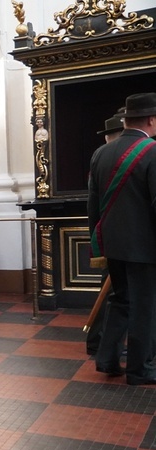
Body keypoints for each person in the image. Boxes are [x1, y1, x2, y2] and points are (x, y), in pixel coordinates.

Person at [88, 93, 156, 385]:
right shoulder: (152, 151)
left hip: (112, 245)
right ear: (152, 120)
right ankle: (140, 370)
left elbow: (93, 205)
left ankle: (107, 359)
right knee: (146, 306)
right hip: (145, 248)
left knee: (121, 300)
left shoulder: (101, 154)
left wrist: (99, 243)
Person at [85, 112, 124, 356]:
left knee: (110, 292)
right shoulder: (106, 157)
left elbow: (93, 204)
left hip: (108, 236)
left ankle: (99, 341)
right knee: (114, 295)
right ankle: (100, 342)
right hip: (123, 238)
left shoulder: (100, 155)